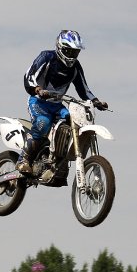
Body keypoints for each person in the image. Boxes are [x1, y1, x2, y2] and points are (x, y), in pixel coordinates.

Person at [17, 30, 108, 174]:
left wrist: (96, 101)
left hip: (57, 105)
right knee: (43, 122)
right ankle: (24, 159)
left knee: (73, 122)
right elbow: (30, 75)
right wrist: (37, 89)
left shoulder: (76, 67)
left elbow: (83, 88)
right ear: (60, 48)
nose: (72, 55)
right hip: (38, 102)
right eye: (69, 51)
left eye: (75, 52)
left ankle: (59, 162)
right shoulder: (47, 57)